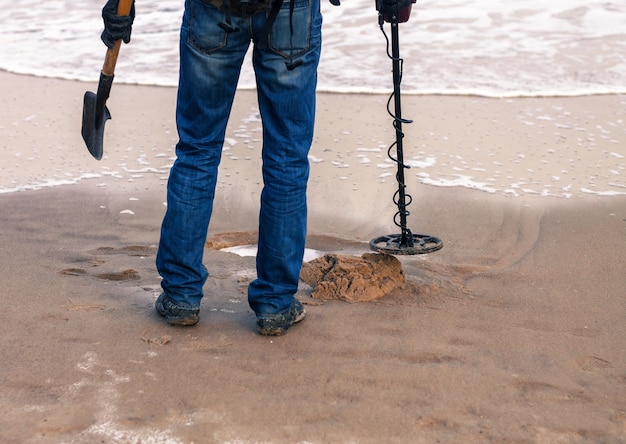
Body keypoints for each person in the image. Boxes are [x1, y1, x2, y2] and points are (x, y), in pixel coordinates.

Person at [101, 0, 326, 335]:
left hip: (213, 10)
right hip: (292, 13)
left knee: (198, 151)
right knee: (287, 159)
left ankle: (181, 295)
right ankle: (275, 303)